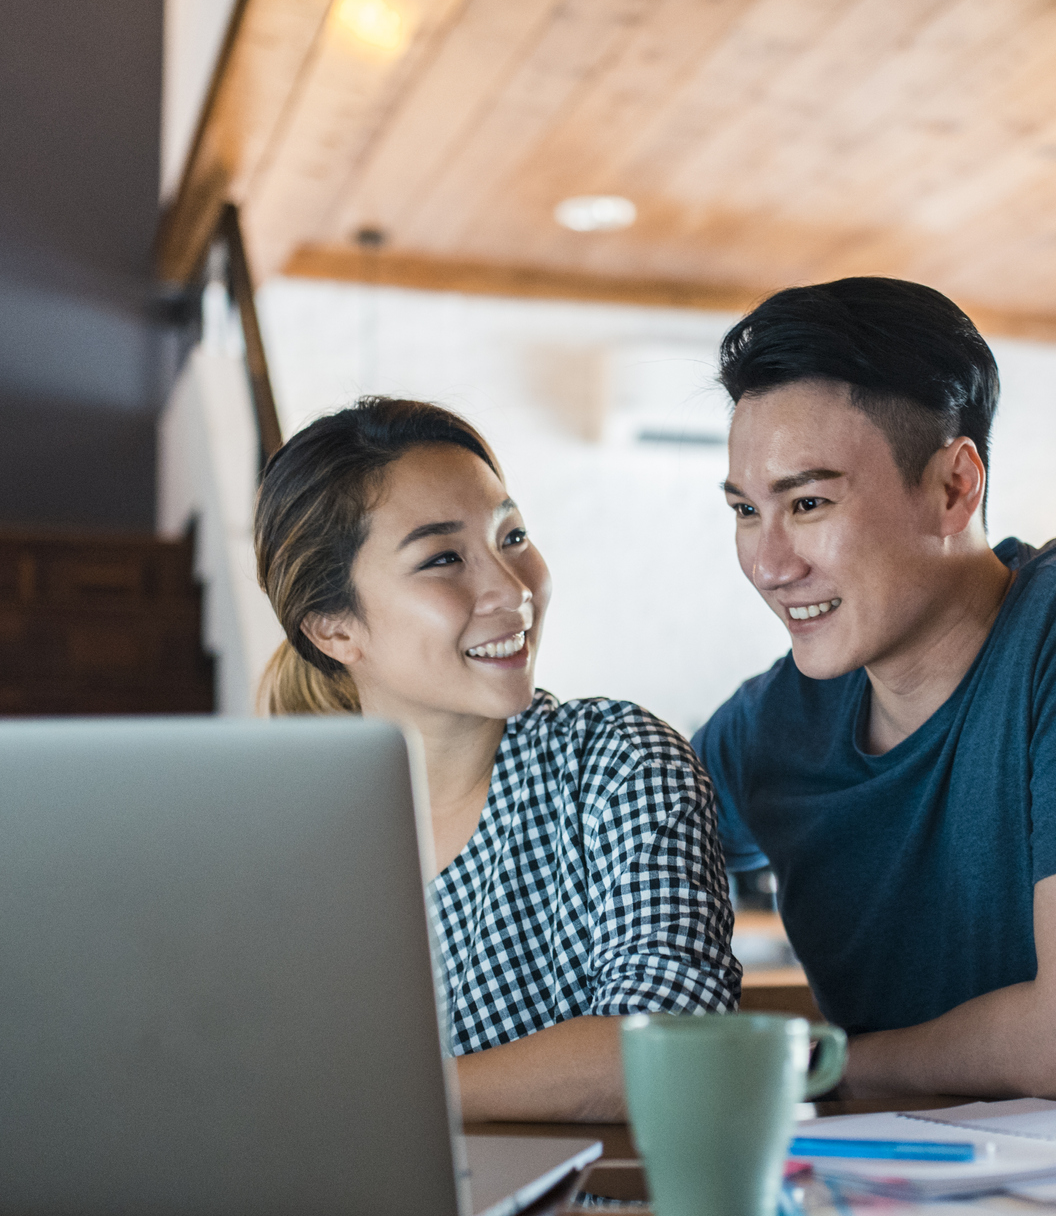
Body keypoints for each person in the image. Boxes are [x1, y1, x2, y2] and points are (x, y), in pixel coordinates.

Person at [693, 277, 1056, 1110]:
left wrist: (816, 1066)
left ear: (954, 487)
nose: (769, 565)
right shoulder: (768, 726)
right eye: (746, 511)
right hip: (884, 1202)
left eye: (807, 503)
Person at [255, 397, 741, 1123]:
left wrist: (391, 1099)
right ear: (334, 629)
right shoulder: (291, 843)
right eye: (443, 557)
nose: (512, 590)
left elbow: (675, 1043)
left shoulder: (615, 764)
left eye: (511, 535)